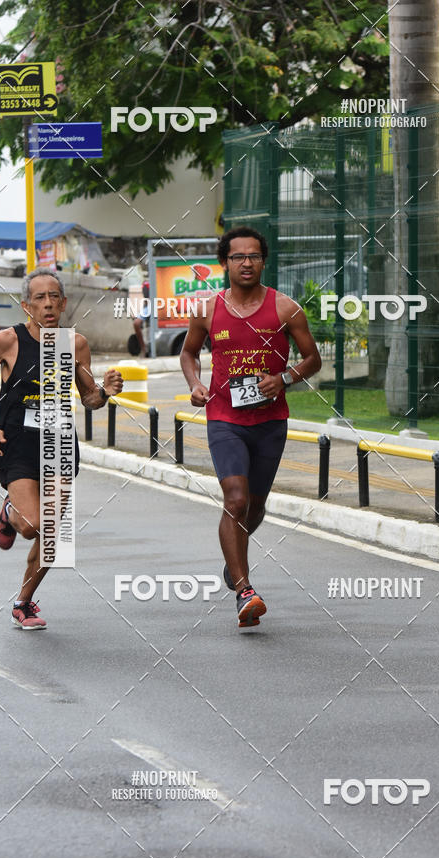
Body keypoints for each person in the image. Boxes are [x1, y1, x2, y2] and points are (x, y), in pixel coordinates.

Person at [180, 226, 321, 629]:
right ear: (224, 263)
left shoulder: (286, 308)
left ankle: (234, 560)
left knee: (255, 506)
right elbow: (189, 354)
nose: (246, 263)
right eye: (238, 256)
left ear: (263, 261)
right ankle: (245, 590)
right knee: (236, 499)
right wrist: (195, 383)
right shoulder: (207, 310)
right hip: (224, 418)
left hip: (270, 422)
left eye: (254, 256)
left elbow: (312, 358)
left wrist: (284, 378)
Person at [0, 267, 123, 630]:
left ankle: (23, 602)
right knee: (30, 526)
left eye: (54, 296)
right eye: (40, 298)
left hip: (59, 444)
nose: (48, 304)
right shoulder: (8, 341)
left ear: (64, 303)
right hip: (17, 443)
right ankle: (10, 511)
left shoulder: (75, 344)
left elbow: (88, 397)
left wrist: (105, 392)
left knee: (54, 536)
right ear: (27, 305)